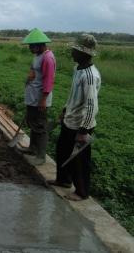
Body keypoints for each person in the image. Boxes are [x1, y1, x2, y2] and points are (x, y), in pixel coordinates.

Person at [47, 34, 100, 201]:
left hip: (81, 124)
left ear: (84, 53)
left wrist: (84, 131)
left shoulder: (90, 76)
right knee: (62, 151)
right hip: (70, 119)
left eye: (75, 50)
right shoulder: (78, 69)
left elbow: (91, 105)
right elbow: (74, 96)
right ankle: (63, 180)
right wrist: (64, 110)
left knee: (79, 160)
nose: (72, 52)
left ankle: (82, 192)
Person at [20, 28, 56, 166]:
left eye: (32, 46)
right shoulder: (38, 56)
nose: (30, 48)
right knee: (33, 123)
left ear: (41, 44)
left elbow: (48, 81)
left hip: (40, 99)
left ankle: (41, 156)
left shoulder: (48, 58)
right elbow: (34, 71)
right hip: (32, 96)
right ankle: (32, 148)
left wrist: (43, 100)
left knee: (40, 126)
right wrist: (30, 77)